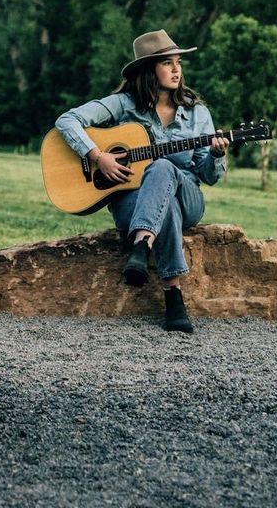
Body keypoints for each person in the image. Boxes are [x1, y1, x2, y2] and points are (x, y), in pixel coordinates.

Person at [54, 29, 229, 333]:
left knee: (162, 168)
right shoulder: (124, 104)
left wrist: (216, 155)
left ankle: (141, 248)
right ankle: (173, 296)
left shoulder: (197, 112)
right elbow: (67, 121)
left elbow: (207, 176)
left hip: (188, 195)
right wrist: (98, 157)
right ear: (149, 70)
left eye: (178, 63)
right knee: (167, 206)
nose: (177, 70)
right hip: (132, 200)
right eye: (168, 63)